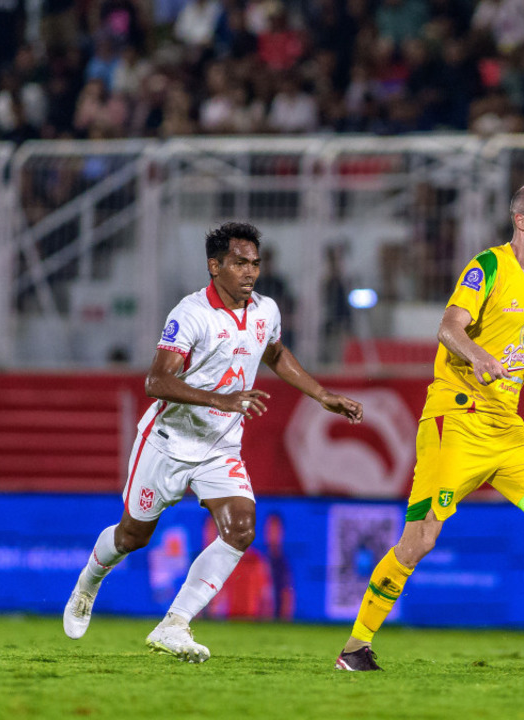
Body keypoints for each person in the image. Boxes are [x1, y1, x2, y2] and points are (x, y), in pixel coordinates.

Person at [335, 183, 524, 675]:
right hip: (457, 419)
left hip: (506, 429)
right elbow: (449, 327)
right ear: (522, 222)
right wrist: (477, 356)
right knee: (421, 540)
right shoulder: (488, 267)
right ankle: (355, 647)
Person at [63, 221, 363, 662]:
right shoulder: (190, 314)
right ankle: (89, 581)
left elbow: (275, 353)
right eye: (240, 263)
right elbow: (156, 380)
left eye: (255, 263)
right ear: (214, 265)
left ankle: (174, 624)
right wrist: (222, 398)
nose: (250, 272)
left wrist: (323, 395)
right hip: (167, 442)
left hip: (219, 448)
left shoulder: (266, 310)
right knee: (132, 536)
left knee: (241, 529)